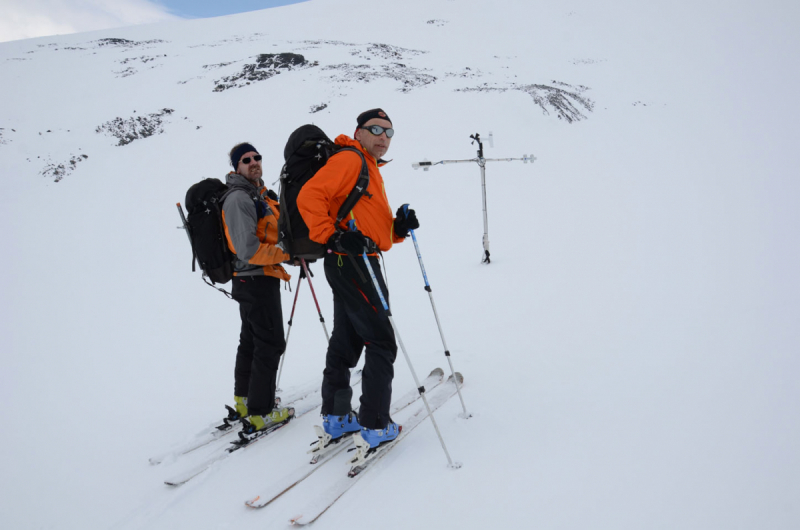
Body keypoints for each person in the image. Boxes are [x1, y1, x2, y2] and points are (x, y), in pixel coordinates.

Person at [297, 109, 419, 449]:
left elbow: (368, 224)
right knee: (380, 342)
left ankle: (337, 419)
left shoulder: (369, 167)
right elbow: (310, 196)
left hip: (350, 261)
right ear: (359, 132)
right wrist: (332, 237)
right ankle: (375, 425)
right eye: (376, 129)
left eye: (389, 132)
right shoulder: (352, 159)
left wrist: (398, 229)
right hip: (354, 262)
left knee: (346, 340)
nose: (383, 136)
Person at [221, 142, 295, 433]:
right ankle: (260, 412)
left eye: (256, 157)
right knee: (270, 343)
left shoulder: (255, 194)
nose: (253, 162)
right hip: (254, 277)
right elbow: (248, 250)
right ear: (236, 167)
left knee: (252, 341)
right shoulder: (239, 199)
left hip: (253, 279)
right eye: (245, 160)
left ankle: (245, 400)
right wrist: (287, 253)